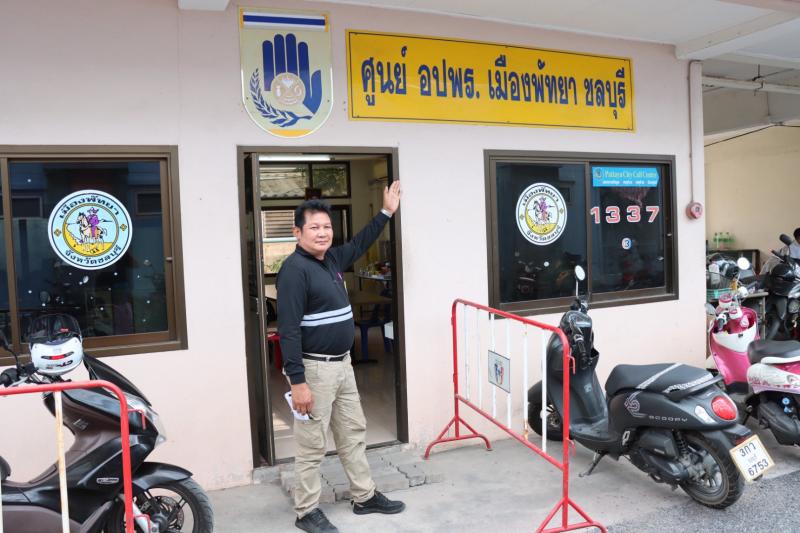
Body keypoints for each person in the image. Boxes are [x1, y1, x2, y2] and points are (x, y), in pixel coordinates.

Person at [277, 181, 405, 533]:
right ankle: (306, 512)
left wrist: (386, 212)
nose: (322, 233)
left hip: (343, 365)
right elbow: (288, 331)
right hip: (314, 370)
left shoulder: (331, 259)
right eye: (314, 227)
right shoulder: (294, 270)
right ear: (298, 232)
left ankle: (364, 496)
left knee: (352, 432)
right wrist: (298, 382)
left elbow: (361, 242)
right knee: (312, 444)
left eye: (327, 227)